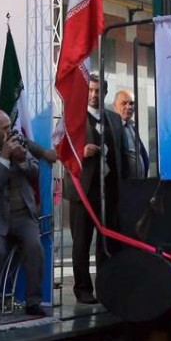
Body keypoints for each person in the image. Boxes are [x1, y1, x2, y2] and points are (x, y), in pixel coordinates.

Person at [62, 74, 123, 305]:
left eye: (99, 91)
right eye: (91, 90)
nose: (95, 95)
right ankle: (83, 289)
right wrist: (80, 152)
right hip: (82, 191)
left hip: (110, 191)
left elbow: (121, 154)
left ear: (105, 92)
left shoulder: (114, 119)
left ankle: (106, 287)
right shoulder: (72, 119)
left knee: (107, 243)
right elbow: (61, 151)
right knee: (81, 243)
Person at [0, 109, 46, 317]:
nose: (11, 131)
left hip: (22, 214)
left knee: (35, 247)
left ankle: (33, 301)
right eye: (5, 128)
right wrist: (5, 157)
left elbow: (36, 171)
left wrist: (22, 159)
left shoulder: (19, 143)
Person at [112, 89, 149, 179]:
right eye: (124, 103)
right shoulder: (111, 128)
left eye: (131, 103)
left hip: (139, 184)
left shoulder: (132, 126)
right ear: (114, 106)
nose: (128, 107)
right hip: (123, 186)